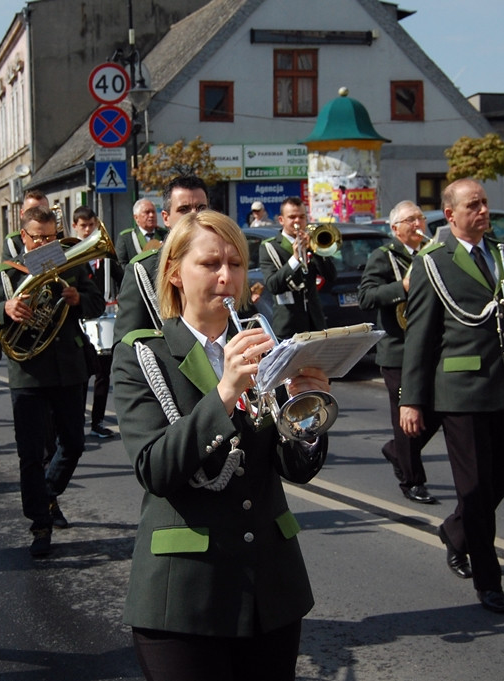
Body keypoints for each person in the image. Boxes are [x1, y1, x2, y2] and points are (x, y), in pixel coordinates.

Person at [112, 209, 330, 681]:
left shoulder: (263, 346)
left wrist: (304, 413)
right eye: (210, 264)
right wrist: (225, 393)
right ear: (174, 274)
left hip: (271, 587)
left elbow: (294, 469)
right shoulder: (143, 353)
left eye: (236, 263)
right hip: (184, 594)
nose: (227, 277)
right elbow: (155, 469)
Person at [400, 178, 504, 614]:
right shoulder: (433, 263)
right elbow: (420, 336)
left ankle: (455, 531)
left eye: (485, 203)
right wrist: (411, 399)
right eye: (473, 205)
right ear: (450, 215)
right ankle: (489, 580)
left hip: (503, 388)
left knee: (500, 479)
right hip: (459, 391)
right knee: (477, 487)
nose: (483, 211)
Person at [0, 205, 105, 557]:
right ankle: (40, 524)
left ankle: (47, 495)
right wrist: (5, 309)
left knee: (75, 443)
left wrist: (80, 299)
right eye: (40, 239)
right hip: (29, 371)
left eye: (52, 237)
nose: (48, 245)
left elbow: (97, 304)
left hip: (68, 366)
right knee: (31, 453)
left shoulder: (70, 261)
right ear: (24, 237)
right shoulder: (5, 273)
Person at [358, 200, 439, 504]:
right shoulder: (383, 257)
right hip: (398, 350)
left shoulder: (432, 254)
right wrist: (401, 287)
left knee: (438, 411)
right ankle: (412, 480)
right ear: (395, 229)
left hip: (430, 347)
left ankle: (396, 450)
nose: (419, 224)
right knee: (407, 418)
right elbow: (366, 296)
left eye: (420, 218)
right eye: (410, 220)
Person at [114, 175, 210, 343]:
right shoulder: (143, 270)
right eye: (184, 209)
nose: (194, 216)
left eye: (201, 208)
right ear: (166, 218)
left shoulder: (224, 264)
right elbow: (125, 345)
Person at [72, 205, 123, 438]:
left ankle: (97, 422)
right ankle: (76, 421)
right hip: (79, 320)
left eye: (91, 225)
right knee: (82, 374)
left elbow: (121, 279)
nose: (87, 229)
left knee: (103, 374)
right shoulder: (70, 256)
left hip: (103, 318)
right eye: (83, 226)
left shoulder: (105, 254)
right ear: (75, 227)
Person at [260, 196, 337, 340]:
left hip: (315, 324)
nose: (297, 221)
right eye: (292, 217)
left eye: (302, 217)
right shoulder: (269, 247)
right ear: (281, 220)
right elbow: (273, 285)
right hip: (288, 326)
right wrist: (295, 259)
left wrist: (316, 251)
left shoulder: (313, 243)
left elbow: (331, 275)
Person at [116, 198, 167, 269]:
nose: (151, 215)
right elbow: (121, 265)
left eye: (153, 212)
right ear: (136, 217)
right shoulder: (126, 238)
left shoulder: (165, 235)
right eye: (147, 212)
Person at [3, 189, 51, 260]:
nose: (38, 216)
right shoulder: (14, 242)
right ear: (22, 214)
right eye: (31, 212)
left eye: (44, 211)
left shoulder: (57, 236)